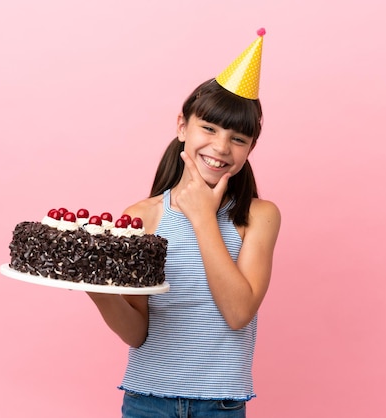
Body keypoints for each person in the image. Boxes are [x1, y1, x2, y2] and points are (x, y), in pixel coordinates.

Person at [87, 29, 281, 418]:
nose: (221, 147)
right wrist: (98, 292)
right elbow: (136, 333)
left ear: (250, 149)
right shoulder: (141, 218)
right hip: (146, 401)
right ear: (182, 127)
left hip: (221, 404)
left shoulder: (259, 216)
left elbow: (239, 312)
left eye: (238, 139)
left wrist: (202, 216)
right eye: (208, 128)